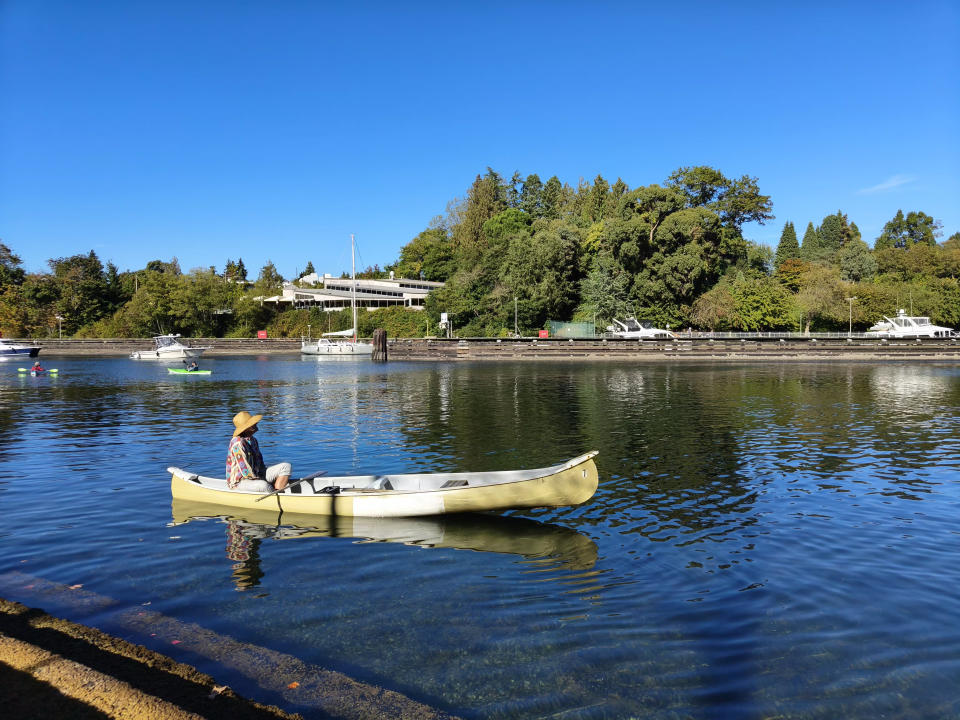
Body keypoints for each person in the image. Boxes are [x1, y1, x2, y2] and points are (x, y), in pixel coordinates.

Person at [226, 411, 292, 493]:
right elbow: (245, 470)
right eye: (253, 423)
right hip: (240, 482)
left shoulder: (253, 441)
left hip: (257, 474)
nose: (256, 423)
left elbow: (260, 463)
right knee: (263, 485)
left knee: (286, 467)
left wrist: (265, 476)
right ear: (247, 427)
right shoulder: (237, 443)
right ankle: (275, 496)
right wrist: (262, 481)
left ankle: (278, 492)